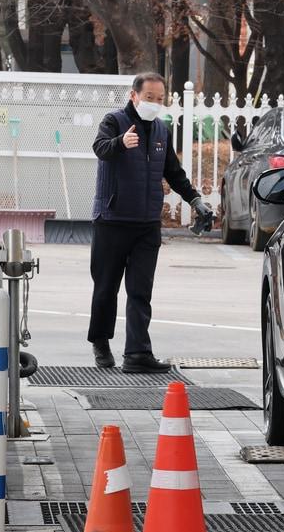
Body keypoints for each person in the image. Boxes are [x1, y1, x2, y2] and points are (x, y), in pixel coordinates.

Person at [88, 72, 213, 373]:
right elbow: (99, 148)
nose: (155, 103)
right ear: (134, 95)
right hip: (112, 219)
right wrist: (121, 142)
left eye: (160, 99)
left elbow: (173, 171)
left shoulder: (159, 130)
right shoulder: (114, 121)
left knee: (141, 290)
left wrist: (195, 199)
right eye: (149, 98)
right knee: (106, 288)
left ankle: (137, 354)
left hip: (146, 223)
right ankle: (101, 342)